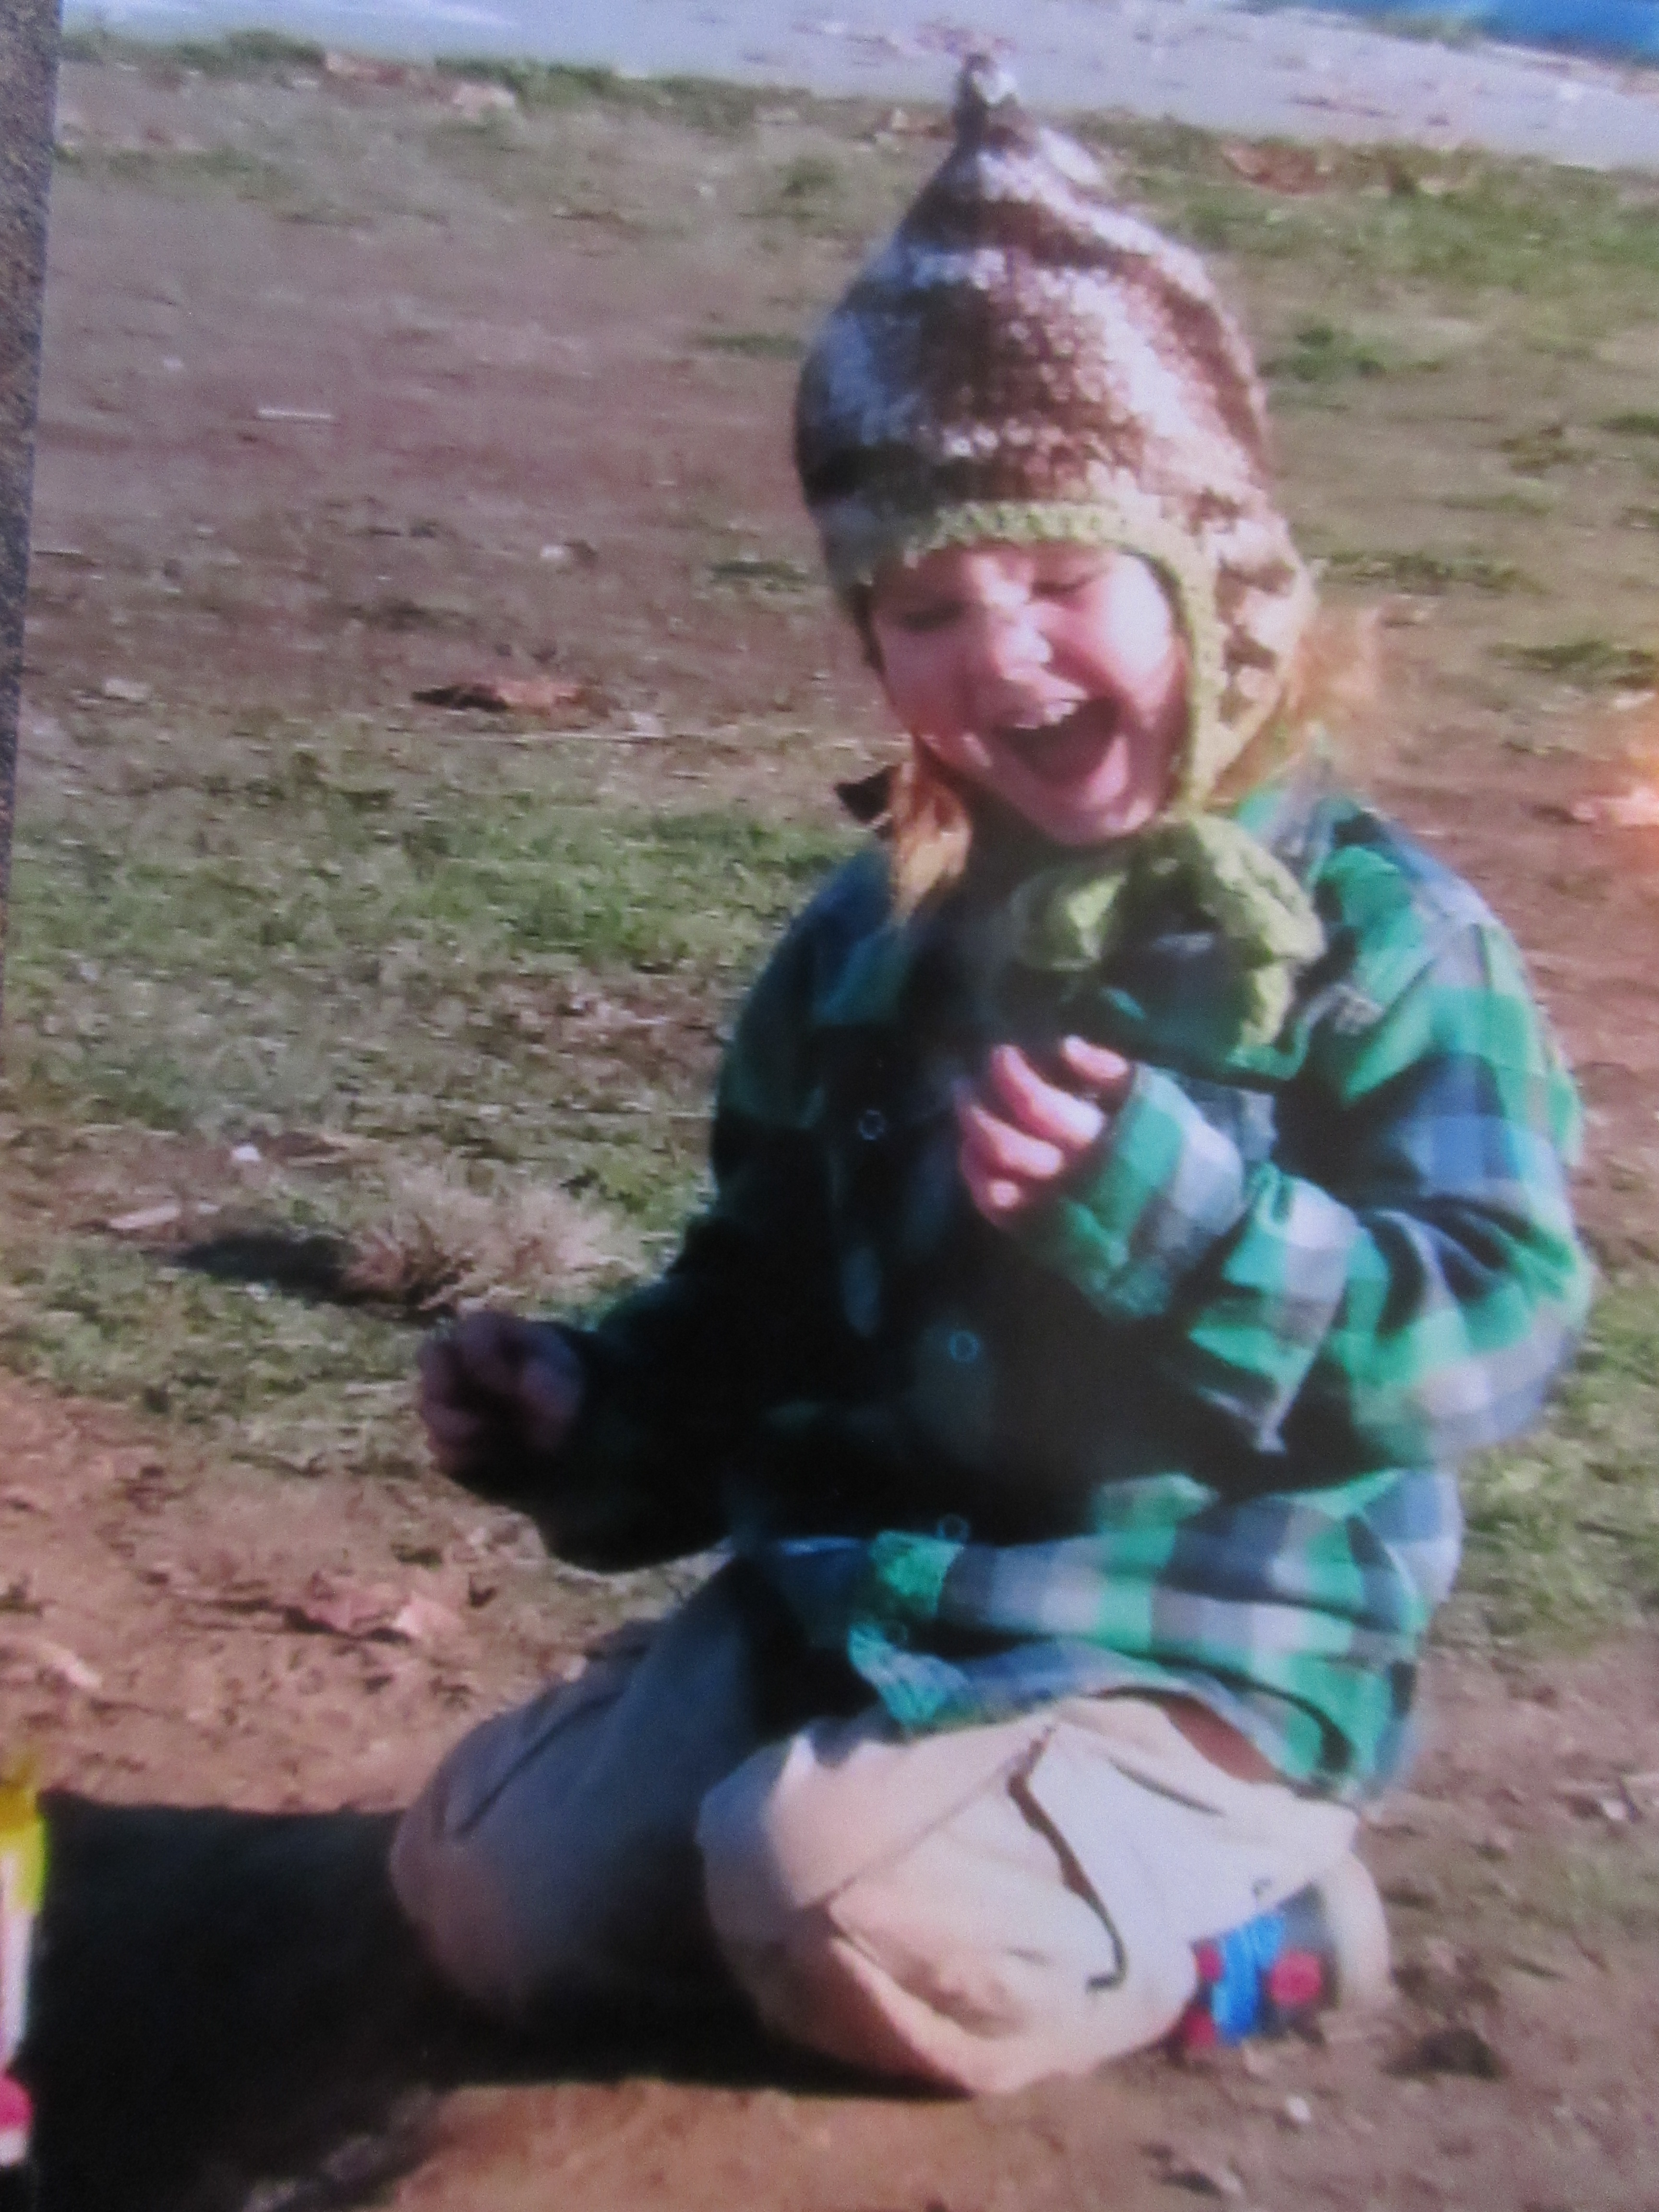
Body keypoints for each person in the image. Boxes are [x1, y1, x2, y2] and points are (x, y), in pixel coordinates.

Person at [391, 57, 1591, 2094]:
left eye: (1063, 579)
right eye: (930, 603)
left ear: (1218, 593)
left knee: (830, 1904)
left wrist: (1193, 1235)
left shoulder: (1381, 943)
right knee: (496, 1895)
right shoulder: (873, 941)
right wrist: (594, 1408)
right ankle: (880, 1852)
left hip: (1187, 1645)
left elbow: (1496, 1329)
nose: (1001, 651)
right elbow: (763, 1293)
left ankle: (1259, 1929)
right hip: (862, 1602)